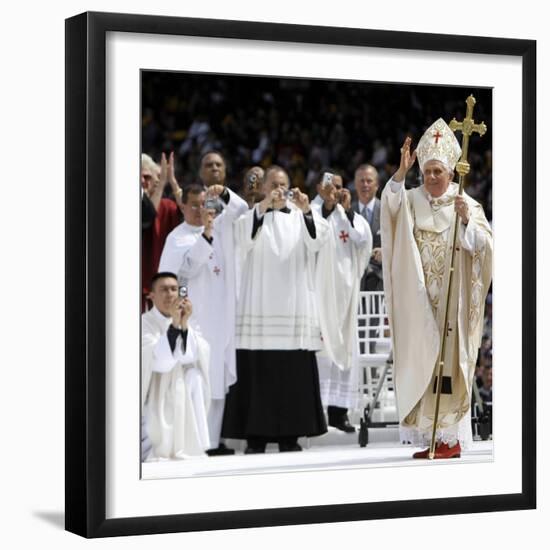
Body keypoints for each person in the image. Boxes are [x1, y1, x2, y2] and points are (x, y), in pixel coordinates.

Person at [380, 119, 493, 459]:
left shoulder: (467, 204)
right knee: (424, 363)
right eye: (426, 171)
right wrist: (400, 172)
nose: (430, 177)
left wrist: (468, 224)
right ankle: (430, 435)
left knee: (445, 367)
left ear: (450, 173)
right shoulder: (411, 198)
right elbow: (390, 207)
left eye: (437, 172)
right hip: (419, 302)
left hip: (450, 303)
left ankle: (449, 438)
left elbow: (486, 247)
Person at [221, 166, 330, 453]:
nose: (279, 189)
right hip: (259, 312)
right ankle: (255, 437)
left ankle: (290, 436)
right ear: (264, 187)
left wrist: (307, 212)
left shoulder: (300, 215)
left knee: (291, 378)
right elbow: (242, 239)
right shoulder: (251, 217)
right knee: (257, 376)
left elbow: (319, 240)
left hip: (293, 312)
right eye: (274, 185)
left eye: (284, 184)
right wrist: (263, 207)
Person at [158, 181, 248, 456]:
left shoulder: (221, 228)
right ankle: (198, 441)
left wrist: (223, 194)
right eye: (193, 205)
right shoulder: (177, 237)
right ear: (182, 206)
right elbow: (181, 275)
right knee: (198, 379)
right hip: (195, 319)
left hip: (220, 317)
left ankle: (214, 439)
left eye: (204, 204)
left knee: (218, 379)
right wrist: (205, 237)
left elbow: (243, 209)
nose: (199, 210)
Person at [312, 172, 372, 433]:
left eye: (338, 187)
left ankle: (339, 413)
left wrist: (346, 214)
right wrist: (328, 208)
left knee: (345, 352)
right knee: (323, 355)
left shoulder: (350, 216)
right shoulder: (312, 212)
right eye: (329, 187)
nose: (334, 191)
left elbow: (363, 242)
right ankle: (319, 413)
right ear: (319, 188)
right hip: (320, 295)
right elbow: (310, 235)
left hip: (346, 297)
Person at [141, 272, 211, 460]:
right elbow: (158, 361)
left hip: (181, 384)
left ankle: (189, 444)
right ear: (152, 295)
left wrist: (184, 323)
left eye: (174, 289)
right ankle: (159, 446)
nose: (170, 294)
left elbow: (194, 355)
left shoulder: (188, 319)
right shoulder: (144, 322)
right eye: (163, 290)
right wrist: (174, 324)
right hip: (154, 388)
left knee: (194, 377)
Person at [141, 152, 183, 311]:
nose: (143, 182)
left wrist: (172, 182)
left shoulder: (168, 206)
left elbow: (190, 214)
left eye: (147, 177)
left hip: (164, 284)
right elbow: (146, 216)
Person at [352, 164, 383, 291]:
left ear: (377, 185)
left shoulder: (387, 211)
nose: (365, 185)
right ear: (355, 184)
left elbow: (399, 241)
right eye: (361, 181)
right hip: (354, 279)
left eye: (369, 181)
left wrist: (386, 251)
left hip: (380, 281)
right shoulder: (345, 212)